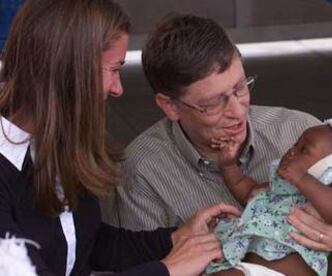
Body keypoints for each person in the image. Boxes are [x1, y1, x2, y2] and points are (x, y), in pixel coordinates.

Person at [102, 13, 332, 275]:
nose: (238, 111)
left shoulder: (303, 134)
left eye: (240, 87)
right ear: (170, 106)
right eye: (213, 103)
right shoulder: (142, 171)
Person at [0, 1, 241, 276]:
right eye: (114, 70)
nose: (118, 89)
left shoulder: (56, 142)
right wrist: (168, 270)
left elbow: (88, 244)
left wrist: (176, 239)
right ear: (71, 70)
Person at [207, 119, 332, 275]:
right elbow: (248, 191)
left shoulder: (330, 195)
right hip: (250, 269)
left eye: (304, 150)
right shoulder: (279, 190)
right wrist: (228, 166)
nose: (291, 152)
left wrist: (302, 178)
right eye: (295, 145)